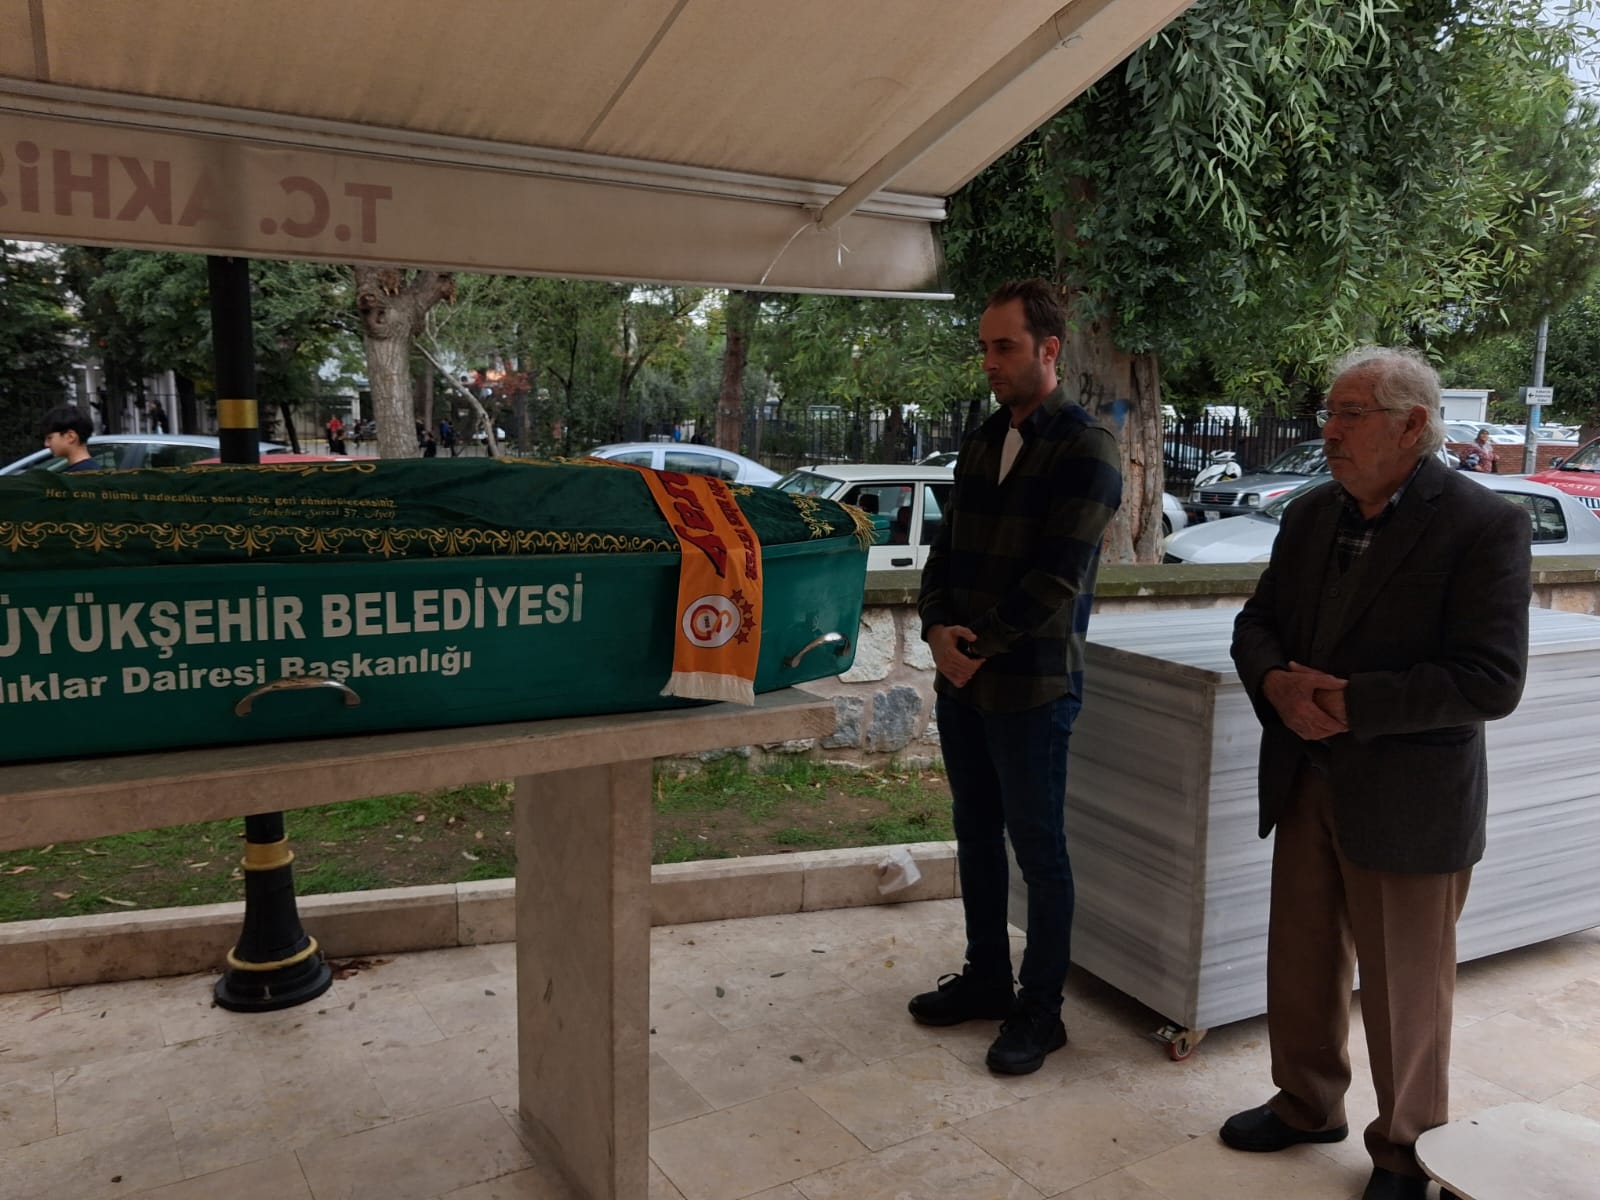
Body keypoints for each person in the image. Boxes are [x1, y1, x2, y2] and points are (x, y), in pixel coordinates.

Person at [1224, 347, 1530, 1200]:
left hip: (1410, 797)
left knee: (1405, 991)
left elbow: (1491, 680)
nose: (1329, 430)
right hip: (1305, 775)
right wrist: (1276, 683)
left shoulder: (1483, 524)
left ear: (1412, 426)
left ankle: (1406, 1150)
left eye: (1350, 414)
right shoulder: (1310, 515)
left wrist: (1353, 704)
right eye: (1329, 412)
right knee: (1303, 962)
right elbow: (1256, 623)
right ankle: (1306, 1103)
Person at [910, 279, 1122, 1075]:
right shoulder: (980, 440)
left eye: (1005, 347)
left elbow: (1057, 577)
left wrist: (977, 646)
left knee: (1040, 850)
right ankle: (986, 980)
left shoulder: (1087, 447)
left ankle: (1041, 1011)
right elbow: (943, 551)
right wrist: (936, 628)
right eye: (985, 348)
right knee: (975, 835)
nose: (990, 362)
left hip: (1032, 689)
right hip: (963, 682)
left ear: (1049, 349)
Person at [40, 404, 99, 471]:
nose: (46, 444)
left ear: (70, 437)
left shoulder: (82, 473)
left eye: (49, 438)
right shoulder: (91, 469)